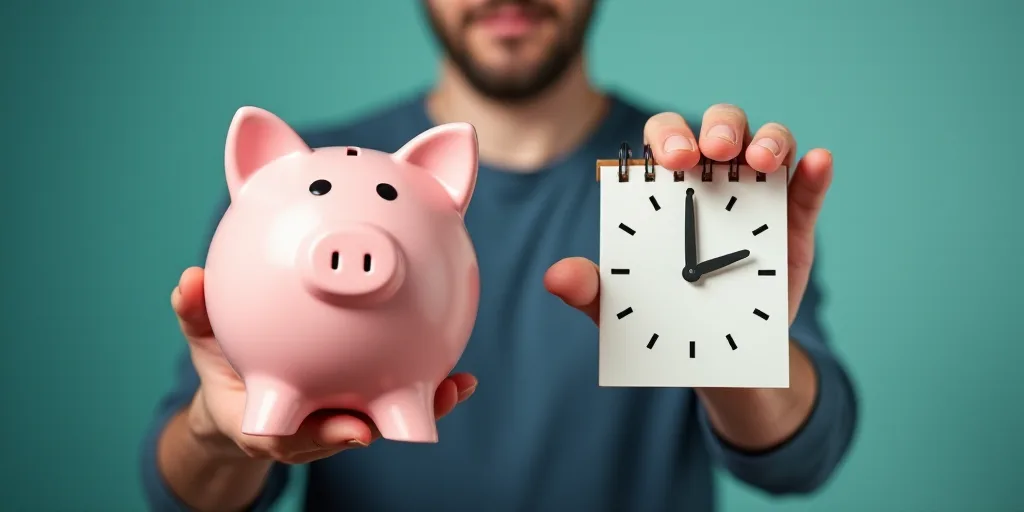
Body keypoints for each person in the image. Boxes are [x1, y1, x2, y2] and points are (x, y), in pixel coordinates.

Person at [141, 1, 859, 510]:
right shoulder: (295, 192)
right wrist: (216, 428)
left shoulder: (686, 186)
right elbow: (187, 495)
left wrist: (730, 345)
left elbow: (800, 460)